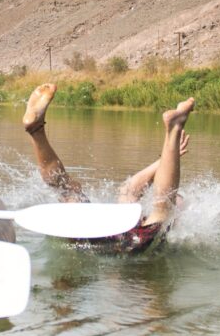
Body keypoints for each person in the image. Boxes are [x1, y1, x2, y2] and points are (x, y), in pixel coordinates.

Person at [21, 83, 194, 254]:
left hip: (92, 232)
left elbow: (133, 185)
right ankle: (174, 128)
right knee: (163, 208)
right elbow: (164, 197)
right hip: (132, 245)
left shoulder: (124, 206)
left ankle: (36, 131)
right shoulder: (141, 220)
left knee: (67, 189)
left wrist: (166, 158)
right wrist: (169, 157)